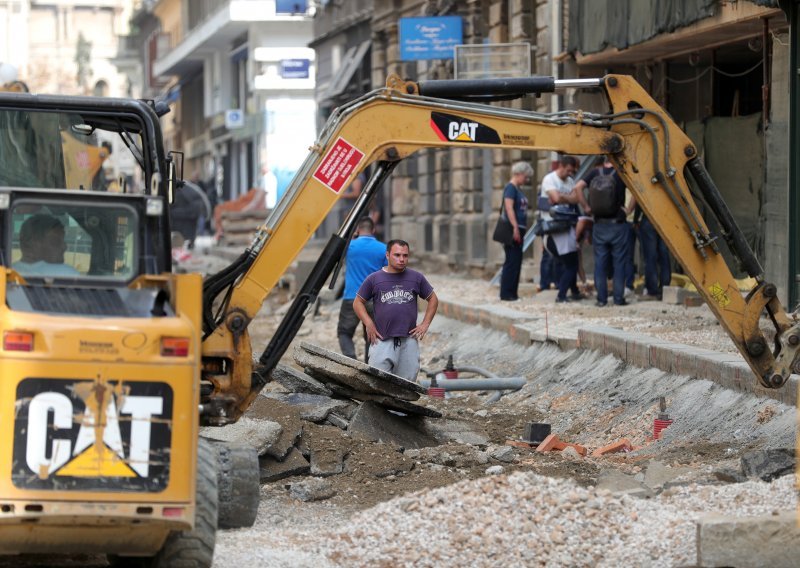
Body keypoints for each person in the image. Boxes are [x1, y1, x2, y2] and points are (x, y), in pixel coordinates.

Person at [353, 240, 438, 381]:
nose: (401, 259)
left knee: (406, 385)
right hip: (381, 339)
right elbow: (358, 303)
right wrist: (368, 323)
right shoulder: (374, 279)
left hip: (409, 340)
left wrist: (425, 324)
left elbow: (433, 299)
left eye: (405, 255)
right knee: (377, 383)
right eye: (397, 255)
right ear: (387, 255)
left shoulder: (416, 278)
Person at [574, 158, 634, 307]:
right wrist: (629, 210)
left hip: (599, 225)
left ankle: (601, 300)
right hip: (618, 225)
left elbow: (578, 187)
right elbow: (637, 191)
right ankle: (618, 299)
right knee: (619, 263)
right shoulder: (621, 174)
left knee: (600, 264)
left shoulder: (595, 172)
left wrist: (586, 207)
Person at [337, 217, 387, 362]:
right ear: (373, 230)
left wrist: (352, 237)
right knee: (371, 335)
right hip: (374, 299)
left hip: (351, 298)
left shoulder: (349, 247)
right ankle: (368, 366)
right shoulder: (383, 249)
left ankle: (350, 360)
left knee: (344, 332)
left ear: (358, 230)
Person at [541, 155, 588, 303]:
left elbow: (576, 199)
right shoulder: (549, 179)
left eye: (572, 171)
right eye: (568, 170)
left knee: (571, 261)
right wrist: (567, 197)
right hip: (554, 227)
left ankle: (573, 291)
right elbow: (556, 198)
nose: (570, 173)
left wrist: (563, 197)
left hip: (567, 226)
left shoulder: (571, 181)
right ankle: (561, 295)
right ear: (561, 166)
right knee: (570, 264)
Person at [499, 161, 533, 302]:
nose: (527, 180)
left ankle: (513, 293)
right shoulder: (511, 188)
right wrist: (515, 228)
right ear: (518, 174)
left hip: (519, 229)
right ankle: (507, 294)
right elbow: (509, 208)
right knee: (512, 261)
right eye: (526, 177)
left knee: (516, 260)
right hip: (514, 229)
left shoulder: (517, 189)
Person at [13, 214, 80, 277]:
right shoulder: (67, 274)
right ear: (33, 244)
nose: (65, 247)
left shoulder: (7, 274)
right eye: (56, 241)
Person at [637, 208, 672, 300]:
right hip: (664, 218)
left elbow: (639, 202)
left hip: (649, 218)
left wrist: (635, 219)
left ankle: (652, 291)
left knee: (650, 257)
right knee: (664, 255)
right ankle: (665, 288)